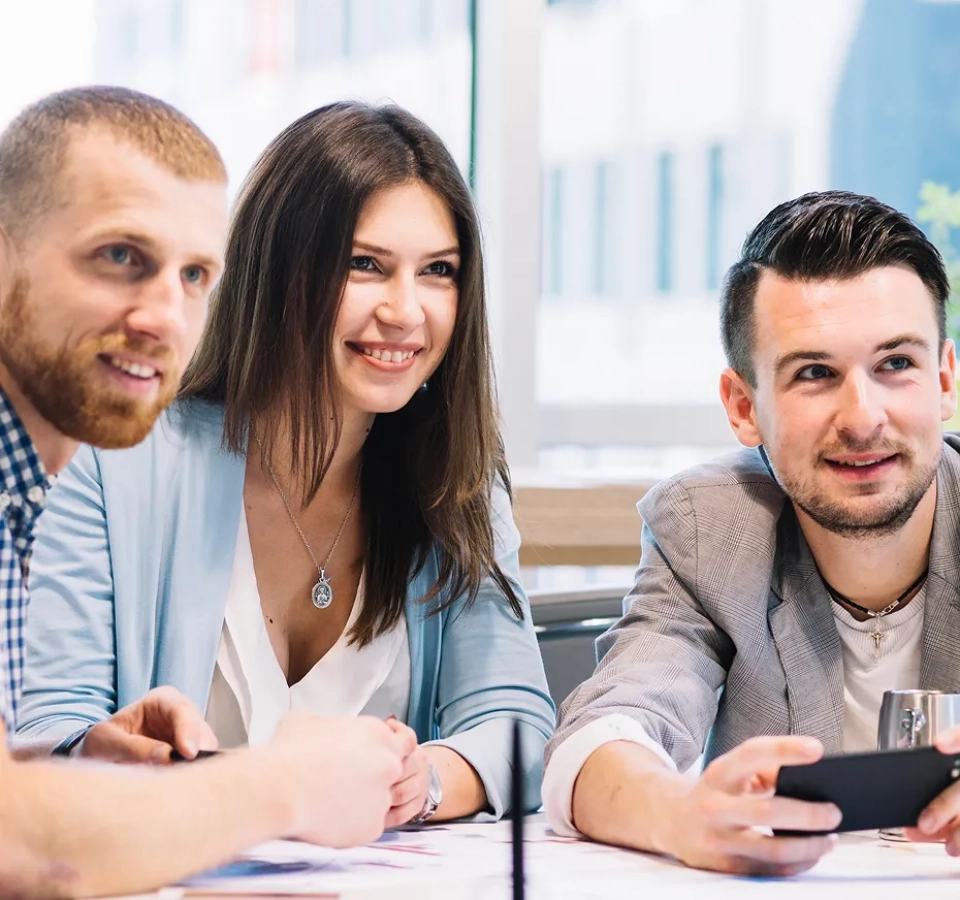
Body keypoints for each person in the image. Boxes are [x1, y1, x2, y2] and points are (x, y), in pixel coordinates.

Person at [18, 100, 555, 828]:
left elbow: (517, 723)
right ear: (277, 270)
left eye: (438, 271)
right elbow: (46, 725)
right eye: (366, 265)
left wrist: (423, 779)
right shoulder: (115, 457)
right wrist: (102, 755)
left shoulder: (454, 480)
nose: (405, 310)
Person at [0, 86, 419, 899]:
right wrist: (286, 784)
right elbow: (19, 847)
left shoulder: (24, 497)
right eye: (120, 256)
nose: (165, 316)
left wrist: (84, 766)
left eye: (195, 275)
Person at [542, 190, 960, 876]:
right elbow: (604, 736)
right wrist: (678, 815)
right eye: (815, 374)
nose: (862, 418)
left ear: (943, 380)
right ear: (744, 406)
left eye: (895, 365)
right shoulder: (709, 532)